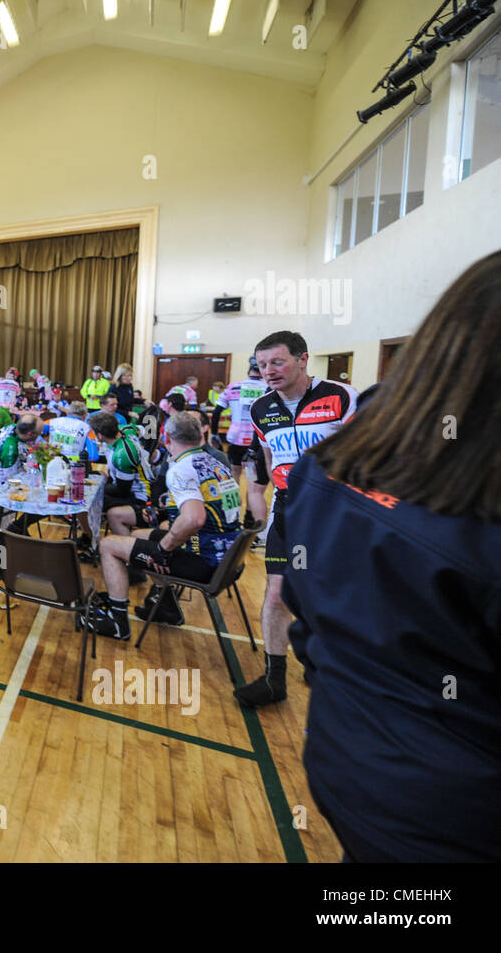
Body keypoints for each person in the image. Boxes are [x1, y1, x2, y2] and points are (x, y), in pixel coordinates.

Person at [283, 251, 501, 861]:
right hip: (456, 812)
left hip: (349, 759)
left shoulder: (331, 460)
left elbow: (308, 608)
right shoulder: (477, 521)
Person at [236, 330, 357, 709]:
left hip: (334, 509)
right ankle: (274, 680)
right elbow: (268, 458)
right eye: (262, 364)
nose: (268, 371)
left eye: (277, 362)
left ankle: (323, 659)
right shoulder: (261, 409)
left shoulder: (340, 397)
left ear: (303, 359)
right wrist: (259, 496)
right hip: (288, 507)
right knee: (277, 593)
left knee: (325, 594)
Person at [92, 412, 241, 639]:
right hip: (228, 556)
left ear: (167, 439)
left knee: (108, 545)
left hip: (205, 561)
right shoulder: (213, 461)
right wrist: (164, 510)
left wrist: (164, 549)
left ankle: (117, 621)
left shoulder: (181, 468)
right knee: (140, 534)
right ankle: (166, 604)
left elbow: (193, 519)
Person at [87, 410, 156, 539]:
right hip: (129, 485)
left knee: (89, 499)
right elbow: (148, 430)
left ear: (100, 436)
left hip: (138, 496)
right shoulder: (126, 428)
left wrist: (99, 485)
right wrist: (148, 453)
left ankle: (93, 540)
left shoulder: (121, 455)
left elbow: (122, 490)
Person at [210, 357, 269, 499]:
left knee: (233, 473)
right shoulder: (267, 388)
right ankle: (249, 518)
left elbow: (217, 411)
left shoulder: (234, 387)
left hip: (236, 437)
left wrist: (214, 434)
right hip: (258, 440)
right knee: (252, 479)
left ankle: (233, 511)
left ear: (248, 369)